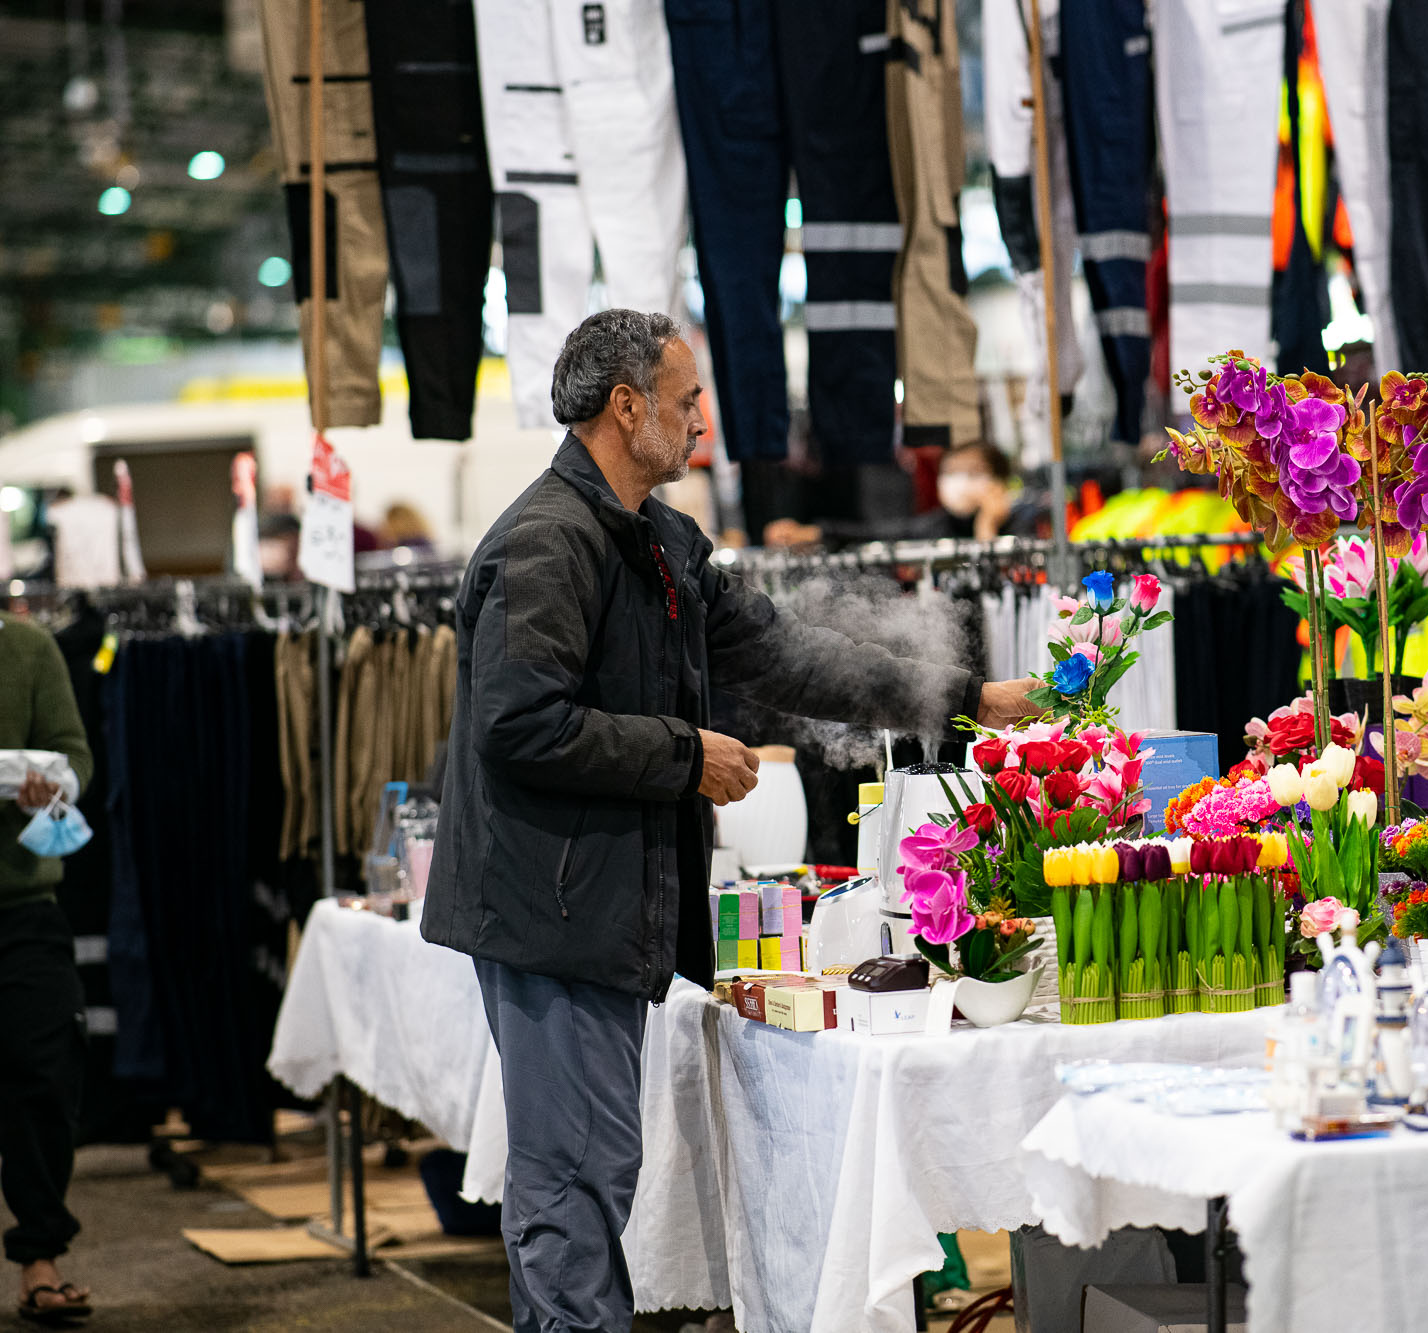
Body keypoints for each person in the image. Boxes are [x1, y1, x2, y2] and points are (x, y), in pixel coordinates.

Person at [422, 309, 1034, 1333]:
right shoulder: (545, 543)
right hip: (552, 914)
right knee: (573, 1180)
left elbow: (790, 655)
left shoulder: (656, 541)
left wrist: (964, 697)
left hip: (596, 910)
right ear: (626, 408)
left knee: (589, 1171)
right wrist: (680, 753)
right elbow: (517, 726)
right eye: (685, 399)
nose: (701, 420)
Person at [0, 613, 94, 1326]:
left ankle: (41, 1255)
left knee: (44, 1070)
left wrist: (50, 784)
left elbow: (73, 756)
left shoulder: (27, 648)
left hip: (23, 901)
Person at [760, 440, 1041, 548]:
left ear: (998, 479)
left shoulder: (1023, 523)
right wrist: (816, 533)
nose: (959, 482)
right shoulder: (937, 524)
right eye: (951, 472)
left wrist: (988, 526)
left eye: (971, 472)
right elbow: (879, 533)